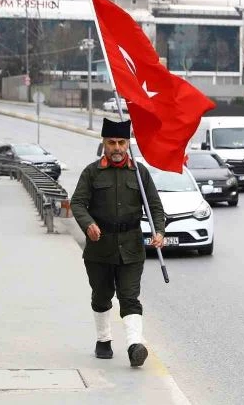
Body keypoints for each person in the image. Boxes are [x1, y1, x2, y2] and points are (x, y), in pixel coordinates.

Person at [70, 118, 165, 367]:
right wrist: (88, 224)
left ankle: (135, 346)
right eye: (111, 142)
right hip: (99, 247)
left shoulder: (139, 172)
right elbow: (77, 203)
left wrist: (159, 231)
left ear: (128, 143)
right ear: (104, 143)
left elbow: (154, 206)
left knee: (130, 296)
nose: (117, 148)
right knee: (102, 295)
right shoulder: (91, 172)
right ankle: (103, 340)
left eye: (121, 142)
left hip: (132, 247)